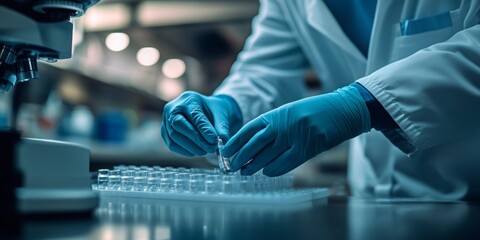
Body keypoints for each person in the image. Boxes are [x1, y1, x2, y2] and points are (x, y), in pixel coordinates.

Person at [161, 0, 480, 201]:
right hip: (371, 199)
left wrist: (364, 104)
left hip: (471, 193)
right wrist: (230, 105)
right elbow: (266, 69)